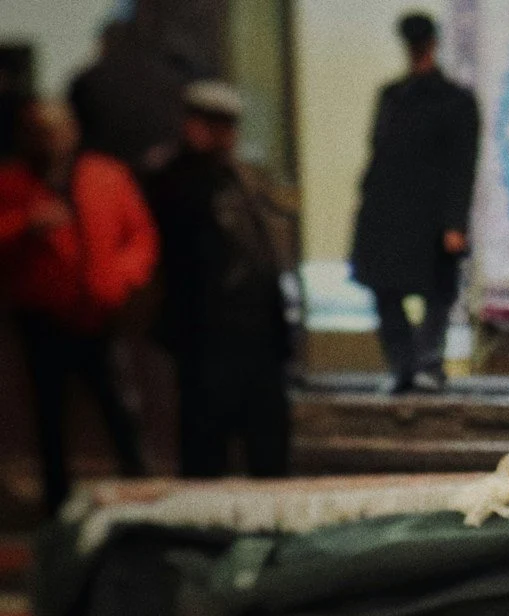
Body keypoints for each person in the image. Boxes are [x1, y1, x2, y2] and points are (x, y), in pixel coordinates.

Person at [0, 100, 155, 513]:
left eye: (56, 129)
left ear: (72, 130)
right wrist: (25, 226)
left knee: (121, 411)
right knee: (49, 418)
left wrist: (120, 276)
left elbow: (139, 236)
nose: (49, 139)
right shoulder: (12, 184)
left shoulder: (105, 176)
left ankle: (141, 497)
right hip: (42, 318)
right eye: (39, 130)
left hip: (99, 315)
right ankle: (56, 507)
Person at [146, 81, 293, 479]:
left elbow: (261, 253)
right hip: (206, 334)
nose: (222, 135)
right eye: (212, 124)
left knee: (268, 449)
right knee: (205, 450)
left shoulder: (240, 177)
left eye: (227, 125)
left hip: (255, 333)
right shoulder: (175, 178)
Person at [349, 12, 480, 394]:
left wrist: (455, 221)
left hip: (431, 214)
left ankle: (426, 362)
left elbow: (462, 164)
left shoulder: (456, 101)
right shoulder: (392, 96)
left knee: (438, 292)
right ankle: (405, 365)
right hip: (389, 210)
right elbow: (380, 152)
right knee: (384, 289)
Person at [68, 21, 188, 175]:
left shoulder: (88, 80)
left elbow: (75, 131)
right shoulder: (170, 80)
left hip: (104, 172)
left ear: (105, 43)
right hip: (163, 170)